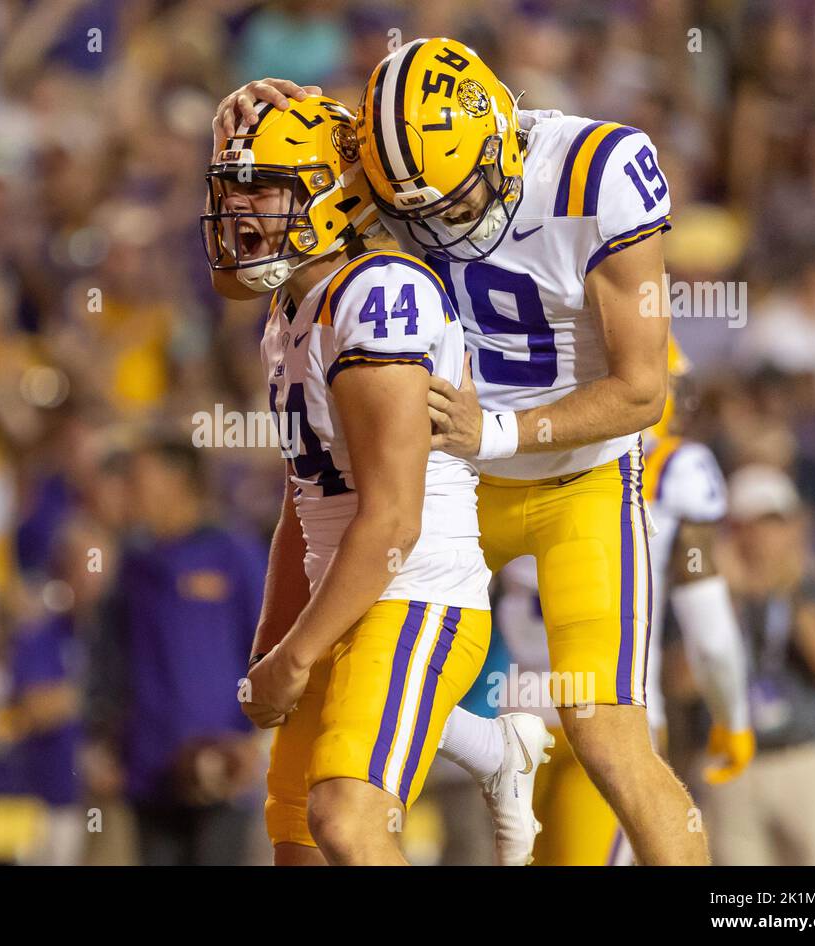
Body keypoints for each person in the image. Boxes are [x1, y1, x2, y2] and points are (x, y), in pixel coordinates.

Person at [214, 36, 704, 865]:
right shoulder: (403, 172)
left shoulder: (598, 171)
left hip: (572, 476)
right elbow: (274, 221)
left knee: (605, 729)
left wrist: (500, 432)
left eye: (460, 194)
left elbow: (642, 392)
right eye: (423, 208)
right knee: (342, 690)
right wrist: (267, 125)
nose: (448, 219)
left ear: (502, 137)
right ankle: (486, 747)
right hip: (457, 474)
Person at [206, 93, 548, 866]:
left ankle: (499, 751)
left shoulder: (378, 294)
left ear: (335, 194)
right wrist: (277, 637)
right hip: (344, 595)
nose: (236, 207)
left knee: (347, 819)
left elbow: (394, 521)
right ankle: (497, 750)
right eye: (230, 186)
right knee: (294, 844)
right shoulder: (290, 313)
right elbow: (306, 503)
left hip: (416, 593)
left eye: (261, 184)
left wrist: (295, 658)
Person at [493, 340, 754, 864]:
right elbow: (712, 631)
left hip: (514, 725)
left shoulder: (513, 445)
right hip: (614, 722)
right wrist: (734, 714)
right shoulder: (670, 467)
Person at [98, 437, 266, 866]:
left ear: (178, 481)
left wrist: (254, 741)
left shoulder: (234, 553)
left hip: (223, 763)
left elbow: (268, 647)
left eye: (138, 478)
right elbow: (110, 661)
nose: (128, 489)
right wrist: (103, 741)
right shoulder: (132, 565)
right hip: (149, 766)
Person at [699, 465, 815, 865]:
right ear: (732, 532)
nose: (764, 538)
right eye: (751, 525)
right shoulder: (704, 597)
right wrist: (726, 598)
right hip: (733, 765)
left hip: (803, 758)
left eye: (774, 524)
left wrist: (787, 593)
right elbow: (682, 678)